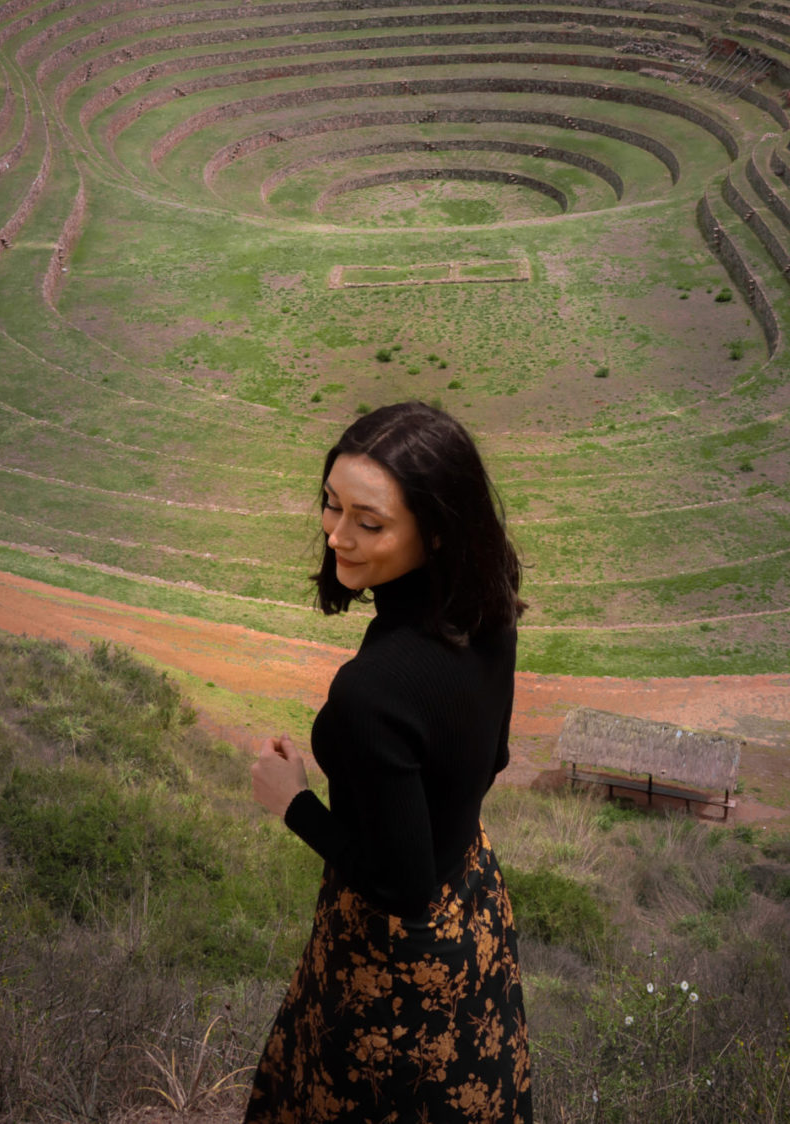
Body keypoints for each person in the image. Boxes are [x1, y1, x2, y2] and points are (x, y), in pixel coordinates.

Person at [246, 401, 533, 1123]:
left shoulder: (372, 691)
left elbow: (401, 889)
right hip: (475, 909)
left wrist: (293, 802)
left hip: (392, 962)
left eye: (369, 523)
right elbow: (491, 754)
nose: (338, 535)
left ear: (434, 531)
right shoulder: (488, 608)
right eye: (331, 506)